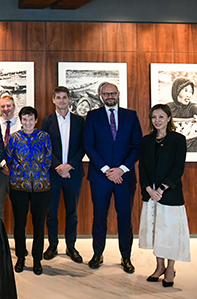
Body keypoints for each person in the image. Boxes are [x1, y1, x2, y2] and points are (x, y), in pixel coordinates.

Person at [83, 82, 142, 273]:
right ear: (101, 95)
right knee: (99, 217)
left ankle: (126, 257)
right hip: (101, 177)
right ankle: (97, 254)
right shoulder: (92, 116)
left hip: (125, 177)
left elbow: (137, 146)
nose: (110, 96)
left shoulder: (130, 116)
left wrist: (122, 169)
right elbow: (89, 145)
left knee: (125, 218)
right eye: (106, 94)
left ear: (118, 94)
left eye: (112, 93)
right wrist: (108, 170)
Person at [138, 104, 190, 288]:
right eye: (154, 117)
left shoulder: (178, 139)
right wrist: (148, 189)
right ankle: (159, 266)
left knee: (170, 232)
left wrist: (161, 188)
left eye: (161, 117)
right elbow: (142, 167)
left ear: (169, 118)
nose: (157, 120)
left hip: (170, 194)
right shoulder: (146, 141)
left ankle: (170, 269)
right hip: (151, 194)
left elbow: (178, 167)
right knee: (156, 232)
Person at [40, 86, 85, 263]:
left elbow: (84, 145)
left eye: (64, 97)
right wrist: (58, 166)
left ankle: (71, 246)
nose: (61, 101)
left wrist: (69, 166)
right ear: (53, 100)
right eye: (58, 98)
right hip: (53, 173)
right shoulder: (46, 121)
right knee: (51, 211)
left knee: (72, 212)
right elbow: (44, 146)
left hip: (73, 173)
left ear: (69, 99)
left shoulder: (79, 121)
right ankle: (52, 245)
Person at [7, 106, 51, 276]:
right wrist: (22, 174)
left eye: (31, 119)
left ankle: (38, 259)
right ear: (20, 120)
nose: (27, 123)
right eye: (24, 119)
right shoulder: (13, 138)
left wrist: (36, 175)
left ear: (36, 120)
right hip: (18, 186)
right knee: (19, 223)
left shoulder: (44, 137)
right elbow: (9, 159)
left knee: (39, 224)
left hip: (41, 187)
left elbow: (47, 159)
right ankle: (20, 256)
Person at [0, 94, 20, 218]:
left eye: (8, 105)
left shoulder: (22, 124)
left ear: (14, 107)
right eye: (2, 106)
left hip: (18, 172)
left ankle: (20, 238)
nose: (5, 109)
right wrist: (3, 164)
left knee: (19, 209)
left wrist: (12, 166)